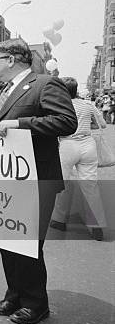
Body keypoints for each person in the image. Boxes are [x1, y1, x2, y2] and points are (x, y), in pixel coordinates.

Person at [0, 38, 76, 324]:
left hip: (36, 180)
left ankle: (36, 303)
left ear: (12, 59)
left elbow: (65, 121)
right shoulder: (3, 92)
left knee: (27, 244)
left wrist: (20, 125)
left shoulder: (44, 84)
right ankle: (14, 294)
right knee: (5, 239)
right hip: (7, 181)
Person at [50, 77, 107, 241]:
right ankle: (97, 226)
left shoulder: (60, 106)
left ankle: (59, 220)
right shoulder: (88, 105)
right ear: (75, 90)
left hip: (68, 144)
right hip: (88, 145)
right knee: (90, 185)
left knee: (62, 183)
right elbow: (102, 124)